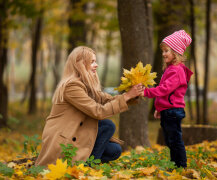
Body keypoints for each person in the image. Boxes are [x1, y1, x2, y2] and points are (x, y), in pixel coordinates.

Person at [35, 46, 144, 167]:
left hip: (77, 134)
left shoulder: (86, 86)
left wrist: (130, 96)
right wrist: (126, 96)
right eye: (92, 62)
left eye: (95, 61)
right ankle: (87, 166)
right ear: (80, 64)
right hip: (64, 139)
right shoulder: (72, 86)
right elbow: (98, 112)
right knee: (107, 125)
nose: (96, 65)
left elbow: (107, 99)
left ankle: (86, 161)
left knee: (114, 150)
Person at [141, 30, 193, 168]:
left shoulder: (176, 71)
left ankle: (181, 165)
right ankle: (175, 164)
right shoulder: (171, 69)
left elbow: (164, 89)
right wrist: (159, 108)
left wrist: (146, 92)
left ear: (175, 52)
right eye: (163, 51)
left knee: (174, 140)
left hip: (173, 111)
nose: (163, 54)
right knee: (170, 140)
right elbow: (167, 93)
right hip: (168, 110)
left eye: (166, 51)